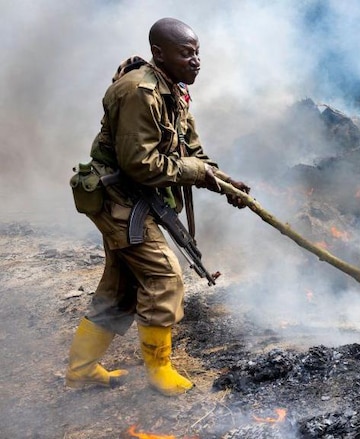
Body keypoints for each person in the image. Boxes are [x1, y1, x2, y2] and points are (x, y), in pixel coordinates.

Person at [65, 18, 251, 396]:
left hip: (140, 197)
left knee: (121, 287)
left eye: (197, 52)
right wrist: (199, 173)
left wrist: (224, 181)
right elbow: (141, 164)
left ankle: (82, 370)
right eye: (186, 53)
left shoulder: (174, 90)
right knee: (165, 277)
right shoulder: (139, 92)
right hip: (118, 198)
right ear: (159, 54)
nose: (196, 60)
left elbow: (191, 152)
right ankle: (159, 371)